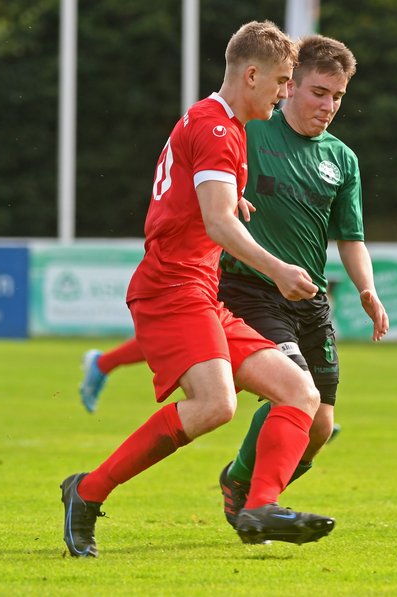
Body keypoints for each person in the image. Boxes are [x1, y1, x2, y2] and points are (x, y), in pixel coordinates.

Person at [61, 21, 334, 558]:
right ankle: (87, 491)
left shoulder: (219, 122)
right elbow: (217, 222)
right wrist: (278, 269)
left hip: (201, 291)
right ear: (251, 75)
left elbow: (204, 201)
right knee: (214, 405)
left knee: (300, 392)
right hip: (170, 289)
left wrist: (231, 203)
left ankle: (260, 506)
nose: (285, 93)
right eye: (282, 81)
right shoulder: (217, 129)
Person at [216, 33, 388, 530]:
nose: (328, 106)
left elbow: (351, 239)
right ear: (290, 85)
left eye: (338, 96)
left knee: (320, 427)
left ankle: (239, 479)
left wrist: (367, 288)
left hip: (310, 300)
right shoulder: (251, 131)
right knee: (295, 391)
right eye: (319, 92)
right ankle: (258, 504)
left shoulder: (343, 159)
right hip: (251, 289)